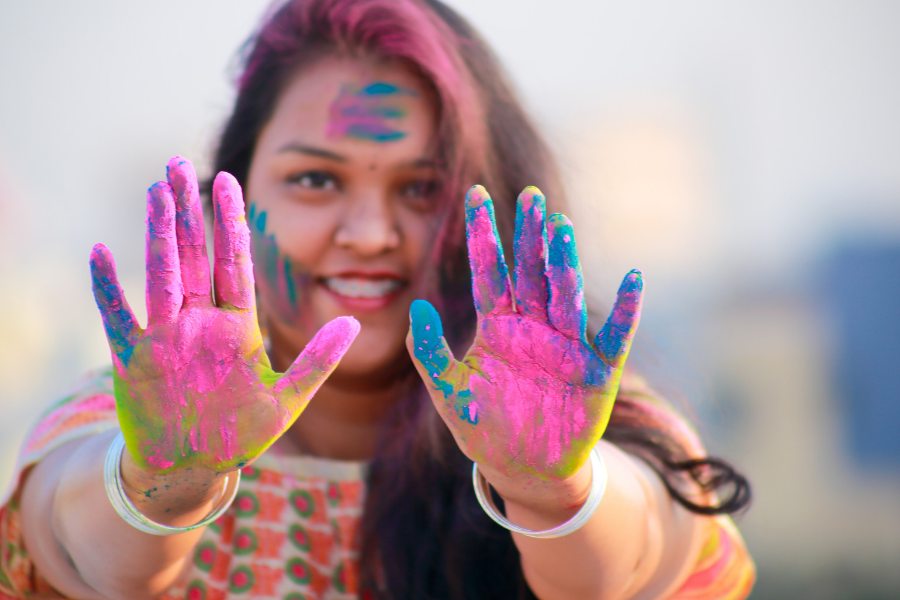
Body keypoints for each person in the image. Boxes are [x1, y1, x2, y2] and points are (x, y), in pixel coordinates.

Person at [0, 0, 755, 598]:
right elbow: (81, 554)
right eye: (316, 180)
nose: (369, 233)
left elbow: (625, 564)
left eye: (422, 188)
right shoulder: (126, 426)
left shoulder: (590, 431)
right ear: (225, 199)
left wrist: (550, 492)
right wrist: (168, 482)